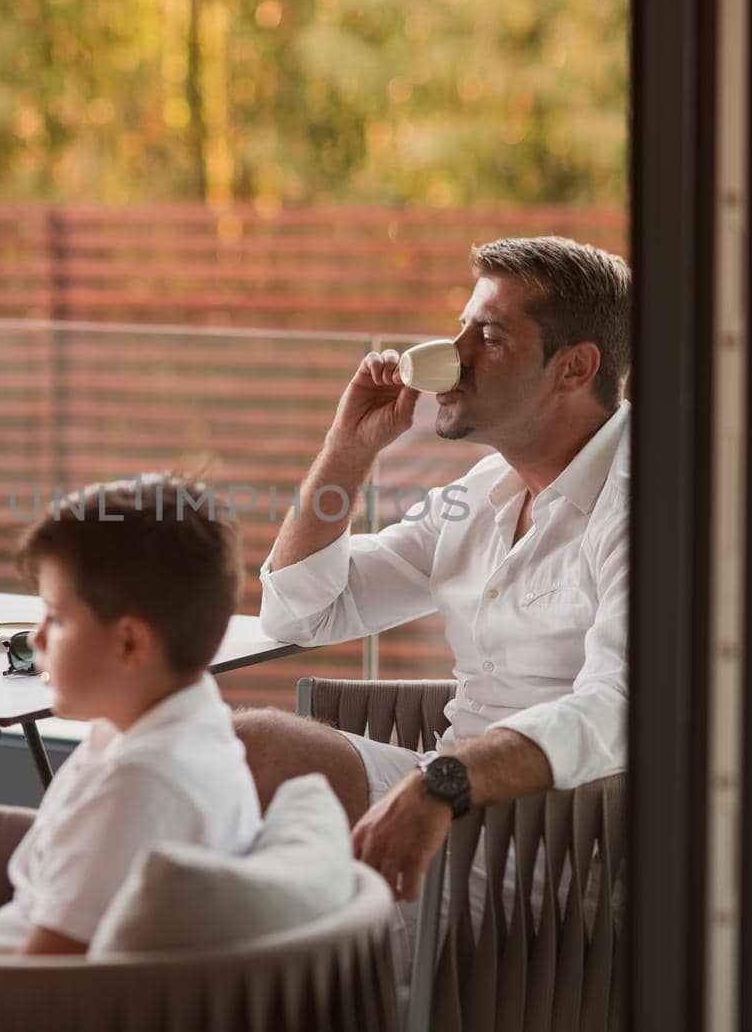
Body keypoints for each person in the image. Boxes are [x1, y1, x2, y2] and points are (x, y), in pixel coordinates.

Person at [241, 235, 631, 968]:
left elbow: (618, 709)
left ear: (574, 368)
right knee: (246, 752)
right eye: (460, 327)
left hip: (566, 835)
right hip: (453, 788)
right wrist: (348, 450)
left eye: (487, 336)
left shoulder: (642, 504)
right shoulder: (484, 492)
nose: (450, 354)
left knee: (273, 928)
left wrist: (441, 782)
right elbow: (302, 610)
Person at [0, 473, 261, 955]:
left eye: (55, 616)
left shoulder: (140, 787)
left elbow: (43, 984)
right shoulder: (169, 725)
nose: (35, 640)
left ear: (129, 642)